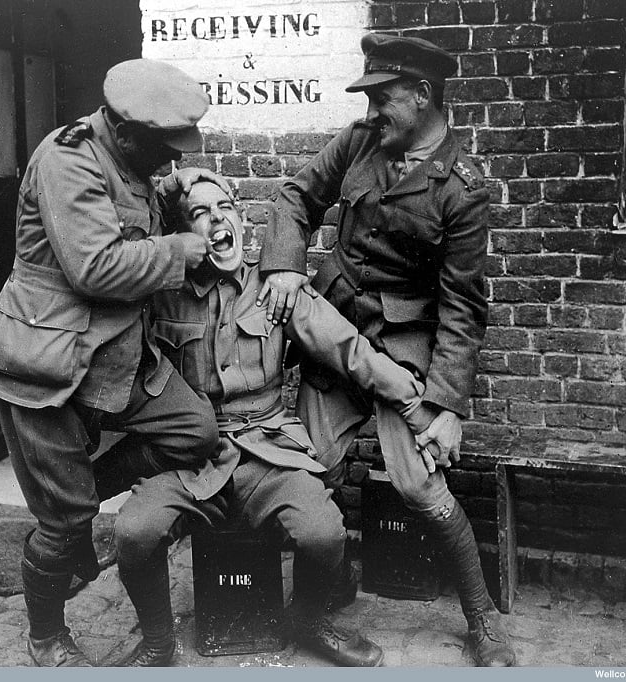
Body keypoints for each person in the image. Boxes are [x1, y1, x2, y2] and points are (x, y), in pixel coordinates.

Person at [257, 34, 516, 667]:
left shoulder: (462, 188)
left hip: (402, 348)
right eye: (368, 98)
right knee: (315, 469)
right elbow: (296, 196)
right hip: (334, 330)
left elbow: (462, 304)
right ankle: (320, 599)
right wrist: (286, 266)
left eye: (383, 98)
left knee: (419, 484)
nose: (372, 111)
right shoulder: (359, 143)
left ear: (423, 95)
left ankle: (480, 616)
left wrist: (447, 403)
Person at [112, 178, 440, 667]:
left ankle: (307, 621)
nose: (219, 218)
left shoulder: (275, 288)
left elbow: (350, 350)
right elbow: (131, 237)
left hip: (268, 450)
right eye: (201, 213)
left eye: (226, 207)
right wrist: (164, 196)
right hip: (189, 456)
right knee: (133, 532)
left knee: (324, 533)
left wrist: (416, 404)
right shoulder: (162, 294)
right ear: (183, 232)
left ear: (243, 221)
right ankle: (158, 641)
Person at [0, 59, 228, 667]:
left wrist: (172, 193)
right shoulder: (68, 159)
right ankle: (46, 636)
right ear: (126, 129)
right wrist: (179, 248)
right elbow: (96, 266)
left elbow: (129, 206)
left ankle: (74, 495)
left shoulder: (129, 158)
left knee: (194, 431)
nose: (168, 161)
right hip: (44, 361)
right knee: (62, 526)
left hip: (113, 354)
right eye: (162, 150)